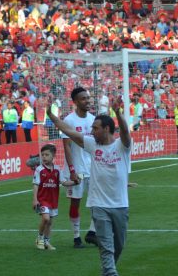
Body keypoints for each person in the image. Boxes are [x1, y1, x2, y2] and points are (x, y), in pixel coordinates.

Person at [46, 97, 131, 276]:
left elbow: (124, 131)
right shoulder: (92, 144)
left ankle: (107, 271)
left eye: (95, 128)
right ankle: (110, 272)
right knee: (106, 245)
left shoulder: (122, 146)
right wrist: (51, 116)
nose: (91, 131)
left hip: (120, 205)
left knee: (119, 245)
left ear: (106, 129)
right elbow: (69, 131)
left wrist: (118, 113)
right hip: (98, 205)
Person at [62, 87, 97, 248]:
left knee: (97, 202)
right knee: (75, 203)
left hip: (92, 169)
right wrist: (72, 170)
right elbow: (67, 146)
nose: (87, 101)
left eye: (88, 98)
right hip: (76, 169)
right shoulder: (69, 120)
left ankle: (92, 232)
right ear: (75, 102)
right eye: (83, 98)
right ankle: (76, 237)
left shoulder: (93, 120)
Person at [33, 143, 77, 250]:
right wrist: (35, 199)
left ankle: (47, 242)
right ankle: (39, 238)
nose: (44, 157)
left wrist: (75, 182)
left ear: (53, 156)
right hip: (42, 199)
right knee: (46, 219)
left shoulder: (57, 169)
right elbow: (35, 184)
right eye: (42, 155)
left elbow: (64, 182)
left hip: (53, 200)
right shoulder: (39, 169)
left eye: (47, 155)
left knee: (50, 222)